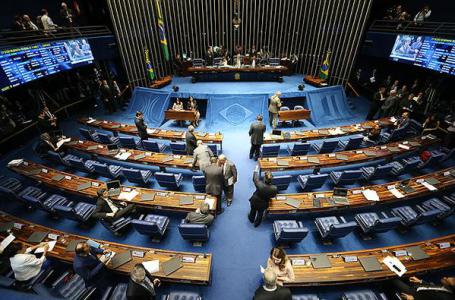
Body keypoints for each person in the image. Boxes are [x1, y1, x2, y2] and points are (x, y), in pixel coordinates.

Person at [390, 276, 454, 300]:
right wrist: (420, 281)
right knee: (404, 274)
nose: (444, 277)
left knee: (392, 279)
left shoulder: (445, 298)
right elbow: (433, 287)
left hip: (414, 294)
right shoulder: (446, 287)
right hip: (418, 286)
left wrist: (412, 299)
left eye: (446, 280)